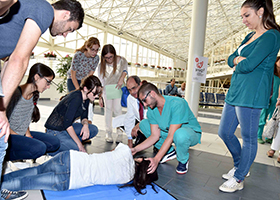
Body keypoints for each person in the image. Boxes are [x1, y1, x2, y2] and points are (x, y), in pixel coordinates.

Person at [0, 0, 84, 198]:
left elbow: (8, 63)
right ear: (65, 14)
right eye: (70, 29)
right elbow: (19, 59)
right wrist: (2, 108)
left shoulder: (28, 18)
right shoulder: (45, 10)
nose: (65, 35)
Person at [218, 0, 280, 193]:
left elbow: (249, 65)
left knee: (249, 138)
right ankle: (241, 166)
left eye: (247, 15)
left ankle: (238, 178)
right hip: (236, 90)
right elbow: (231, 59)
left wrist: (239, 62)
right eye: (242, 16)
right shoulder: (250, 36)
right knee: (224, 132)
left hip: (251, 94)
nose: (243, 20)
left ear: (260, 12)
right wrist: (237, 60)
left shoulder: (271, 36)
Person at [1, 143, 158, 195]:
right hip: (70, 180)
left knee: (36, 170)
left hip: (71, 158)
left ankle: (3, 180)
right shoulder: (126, 179)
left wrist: (134, 156)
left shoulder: (124, 151)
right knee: (29, 183)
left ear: (142, 161)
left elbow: (113, 153)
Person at [131, 83, 202, 175]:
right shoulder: (152, 110)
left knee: (179, 135)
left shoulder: (177, 103)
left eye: (145, 100)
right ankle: (169, 152)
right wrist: (135, 149)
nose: (144, 104)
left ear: (152, 94)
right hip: (168, 132)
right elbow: (154, 136)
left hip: (189, 133)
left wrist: (156, 159)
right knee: (144, 124)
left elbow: (171, 135)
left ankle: (183, 160)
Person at [6, 63, 60, 161]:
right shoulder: (15, 94)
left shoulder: (35, 95)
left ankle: (21, 152)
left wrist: (28, 135)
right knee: (39, 148)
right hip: (8, 135)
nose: (48, 87)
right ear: (36, 77)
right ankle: (7, 158)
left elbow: (25, 118)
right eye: (47, 82)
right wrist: (21, 139)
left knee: (54, 142)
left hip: (21, 134)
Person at [45, 75, 100, 155]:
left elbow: (84, 116)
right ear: (85, 89)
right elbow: (67, 124)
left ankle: (69, 141)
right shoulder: (76, 98)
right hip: (55, 130)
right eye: (94, 93)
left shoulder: (87, 98)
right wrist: (80, 145)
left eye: (98, 93)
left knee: (93, 129)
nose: (97, 96)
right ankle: (49, 149)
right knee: (77, 150)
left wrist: (85, 125)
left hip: (65, 128)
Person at [97, 44, 128, 143]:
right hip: (107, 89)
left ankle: (119, 132)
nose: (109, 59)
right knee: (108, 110)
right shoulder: (101, 65)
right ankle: (108, 132)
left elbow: (125, 70)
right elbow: (101, 80)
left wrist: (121, 79)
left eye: (111, 57)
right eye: (106, 58)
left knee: (118, 110)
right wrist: (100, 95)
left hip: (118, 87)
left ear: (114, 55)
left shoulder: (121, 60)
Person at [66, 37, 100, 123]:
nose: (95, 52)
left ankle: (85, 119)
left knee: (87, 99)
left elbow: (90, 74)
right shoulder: (78, 55)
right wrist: (78, 89)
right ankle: (71, 120)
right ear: (86, 47)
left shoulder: (96, 58)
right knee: (76, 98)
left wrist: (84, 83)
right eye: (92, 49)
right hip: (73, 79)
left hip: (84, 80)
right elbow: (73, 74)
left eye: (97, 50)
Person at [113, 76, 147, 148]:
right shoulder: (130, 98)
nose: (132, 92)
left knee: (148, 126)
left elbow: (151, 117)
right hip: (141, 120)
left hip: (156, 122)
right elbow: (130, 117)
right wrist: (130, 141)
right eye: (129, 90)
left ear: (140, 84)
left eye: (134, 88)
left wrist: (137, 126)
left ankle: (158, 144)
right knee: (119, 120)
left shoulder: (148, 95)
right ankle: (140, 136)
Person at [257, 56, 280, 144]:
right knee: (263, 117)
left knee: (273, 118)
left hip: (276, 99)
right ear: (276, 61)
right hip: (267, 98)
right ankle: (259, 135)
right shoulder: (270, 72)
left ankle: (269, 136)